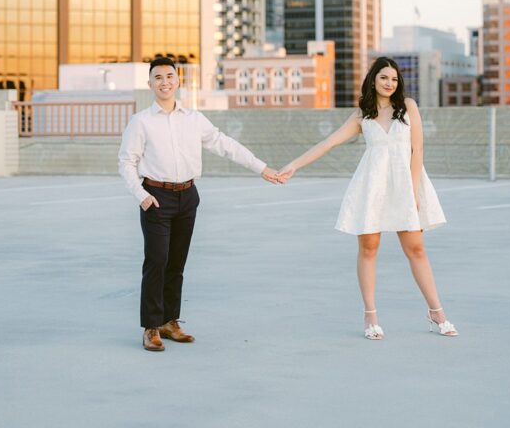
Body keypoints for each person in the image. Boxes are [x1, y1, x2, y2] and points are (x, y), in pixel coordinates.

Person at [279, 56, 458, 339]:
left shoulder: (408, 107)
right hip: (372, 185)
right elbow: (329, 143)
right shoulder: (362, 114)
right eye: (384, 77)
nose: (389, 83)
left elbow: (418, 151)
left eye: (394, 79)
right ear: (373, 79)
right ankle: (370, 316)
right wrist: (293, 165)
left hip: (405, 185)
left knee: (416, 249)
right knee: (369, 249)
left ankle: (437, 312)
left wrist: (413, 191)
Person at [119, 56, 284, 352]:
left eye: (169, 76)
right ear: (150, 84)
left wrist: (262, 168)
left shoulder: (194, 119)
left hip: (188, 196)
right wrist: (142, 196)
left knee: (177, 264)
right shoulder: (141, 121)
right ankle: (151, 327)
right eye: (158, 77)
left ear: (178, 80)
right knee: (156, 262)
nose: (165, 82)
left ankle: (170, 321)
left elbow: (225, 145)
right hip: (156, 197)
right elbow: (126, 162)